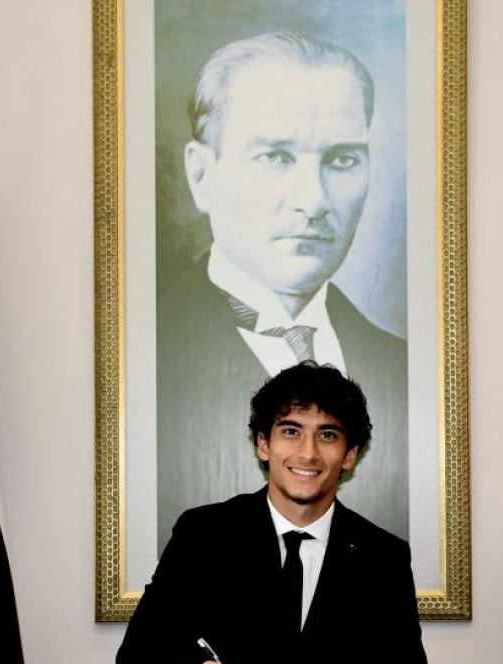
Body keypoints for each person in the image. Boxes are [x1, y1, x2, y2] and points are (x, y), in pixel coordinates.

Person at [155, 31, 409, 552]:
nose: (313, 201)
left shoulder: (402, 366)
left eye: (341, 159)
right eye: (275, 156)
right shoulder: (149, 350)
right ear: (201, 175)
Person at [118, 362, 430, 664]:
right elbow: (135, 659)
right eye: (291, 431)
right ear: (263, 445)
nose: (308, 452)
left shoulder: (384, 556)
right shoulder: (202, 534)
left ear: (350, 455)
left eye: (327, 435)